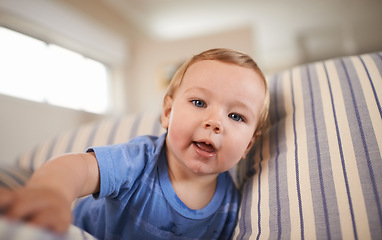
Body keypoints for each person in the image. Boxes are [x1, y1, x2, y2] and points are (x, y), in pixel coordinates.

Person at [0, 48, 269, 239]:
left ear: (248, 145)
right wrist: (52, 192)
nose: (215, 122)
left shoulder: (231, 206)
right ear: (167, 112)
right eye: (199, 103)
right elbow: (79, 168)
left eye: (236, 116)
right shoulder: (139, 160)